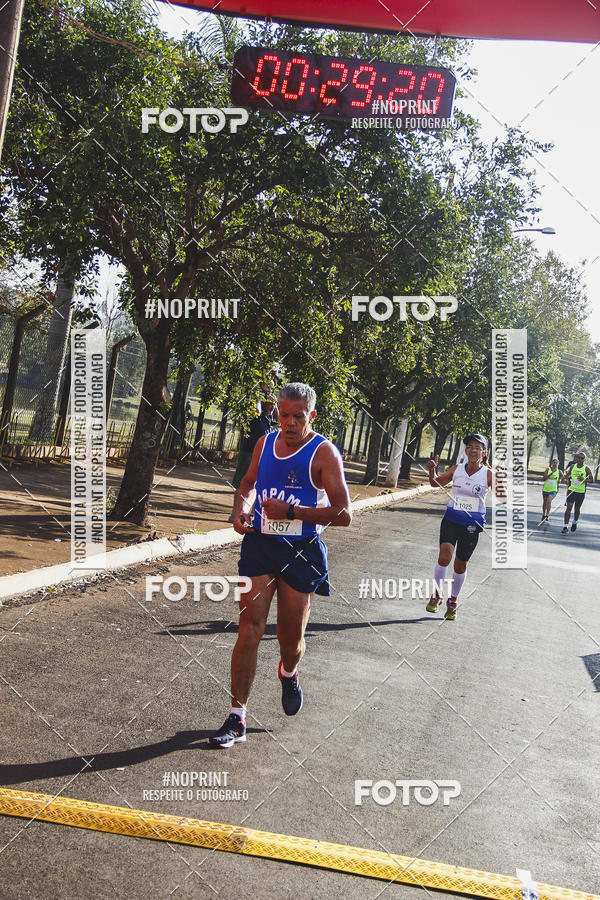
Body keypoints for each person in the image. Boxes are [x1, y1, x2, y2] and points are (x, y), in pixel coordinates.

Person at [210, 382, 352, 748]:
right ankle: (236, 718)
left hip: (301, 550)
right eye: (282, 415)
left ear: (312, 416)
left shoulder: (324, 454)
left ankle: (289, 671)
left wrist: (292, 511)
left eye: (298, 417)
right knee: (249, 627)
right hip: (260, 544)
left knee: (291, 639)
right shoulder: (264, 444)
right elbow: (246, 483)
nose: (288, 423)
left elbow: (343, 513)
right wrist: (240, 509)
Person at [425, 434, 494, 622]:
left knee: (460, 564)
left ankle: (453, 601)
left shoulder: (488, 474)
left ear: (484, 453)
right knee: (444, 556)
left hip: (472, 525)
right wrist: (432, 471)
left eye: (477, 448)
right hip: (452, 519)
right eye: (470, 447)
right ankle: (437, 594)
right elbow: (435, 482)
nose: (473, 450)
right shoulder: (458, 469)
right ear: (466, 451)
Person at [228, 399, 275, 521]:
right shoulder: (255, 415)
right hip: (248, 453)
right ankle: (235, 514)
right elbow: (256, 410)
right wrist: (259, 398)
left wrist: (273, 405)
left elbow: (279, 419)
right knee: (243, 482)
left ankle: (252, 513)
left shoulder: (267, 418)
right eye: (270, 402)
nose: (273, 404)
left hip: (262, 454)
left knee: (259, 484)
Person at [561, 449, 593, 534]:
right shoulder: (573, 466)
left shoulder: (586, 468)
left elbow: (592, 480)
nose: (580, 459)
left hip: (581, 492)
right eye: (579, 457)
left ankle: (575, 522)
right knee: (569, 507)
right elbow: (568, 474)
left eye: (582, 458)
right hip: (572, 490)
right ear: (576, 458)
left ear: (584, 460)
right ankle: (565, 526)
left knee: (577, 509)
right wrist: (564, 478)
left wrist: (584, 480)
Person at [540, 459, 561, 524]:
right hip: (546, 489)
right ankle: (543, 514)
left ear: (558, 464)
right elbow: (543, 479)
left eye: (556, 463)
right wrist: (550, 474)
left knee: (549, 501)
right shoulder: (548, 469)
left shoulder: (559, 471)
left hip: (553, 490)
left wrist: (560, 480)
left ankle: (547, 515)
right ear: (552, 463)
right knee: (545, 502)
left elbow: (563, 477)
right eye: (554, 462)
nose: (555, 464)